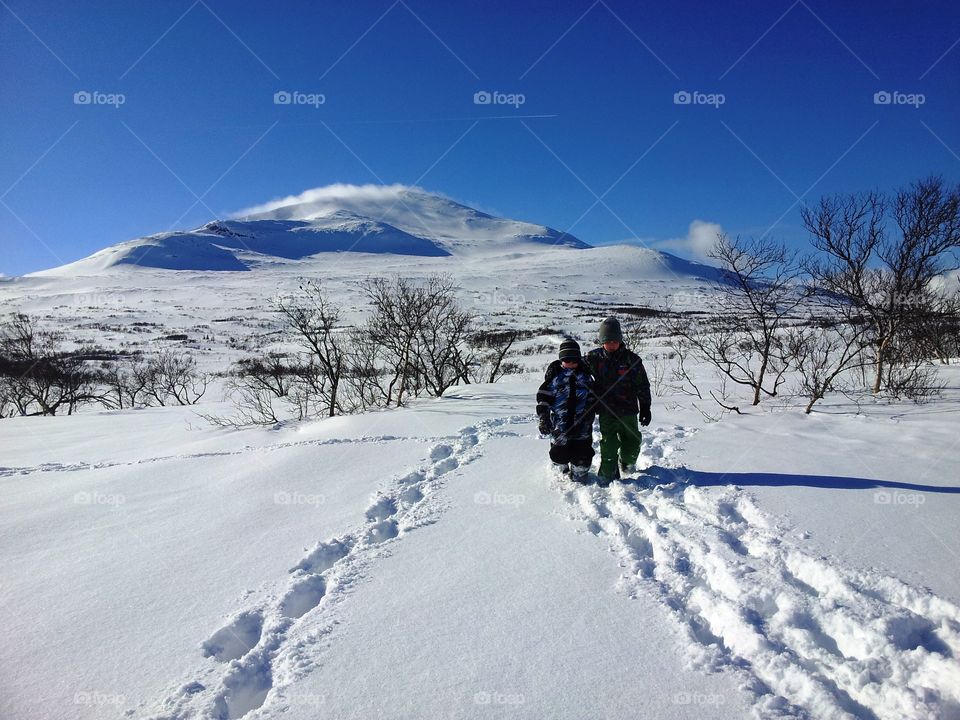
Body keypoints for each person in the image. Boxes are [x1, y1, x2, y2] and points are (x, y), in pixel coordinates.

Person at [584, 317, 651, 485]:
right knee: (609, 443)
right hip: (606, 410)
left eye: (615, 341)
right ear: (602, 342)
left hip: (628, 409)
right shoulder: (593, 358)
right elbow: (574, 367)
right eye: (608, 341)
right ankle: (607, 473)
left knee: (633, 440)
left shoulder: (632, 359)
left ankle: (627, 464)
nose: (612, 344)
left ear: (620, 340)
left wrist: (645, 407)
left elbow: (642, 384)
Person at [536, 338, 596, 483]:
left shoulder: (586, 378)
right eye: (566, 360)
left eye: (574, 360)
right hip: (560, 426)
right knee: (559, 453)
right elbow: (543, 398)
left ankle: (579, 472)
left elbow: (593, 398)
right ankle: (561, 469)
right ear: (561, 360)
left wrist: (592, 408)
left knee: (583, 454)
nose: (570, 364)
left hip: (583, 424)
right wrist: (544, 417)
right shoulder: (554, 379)